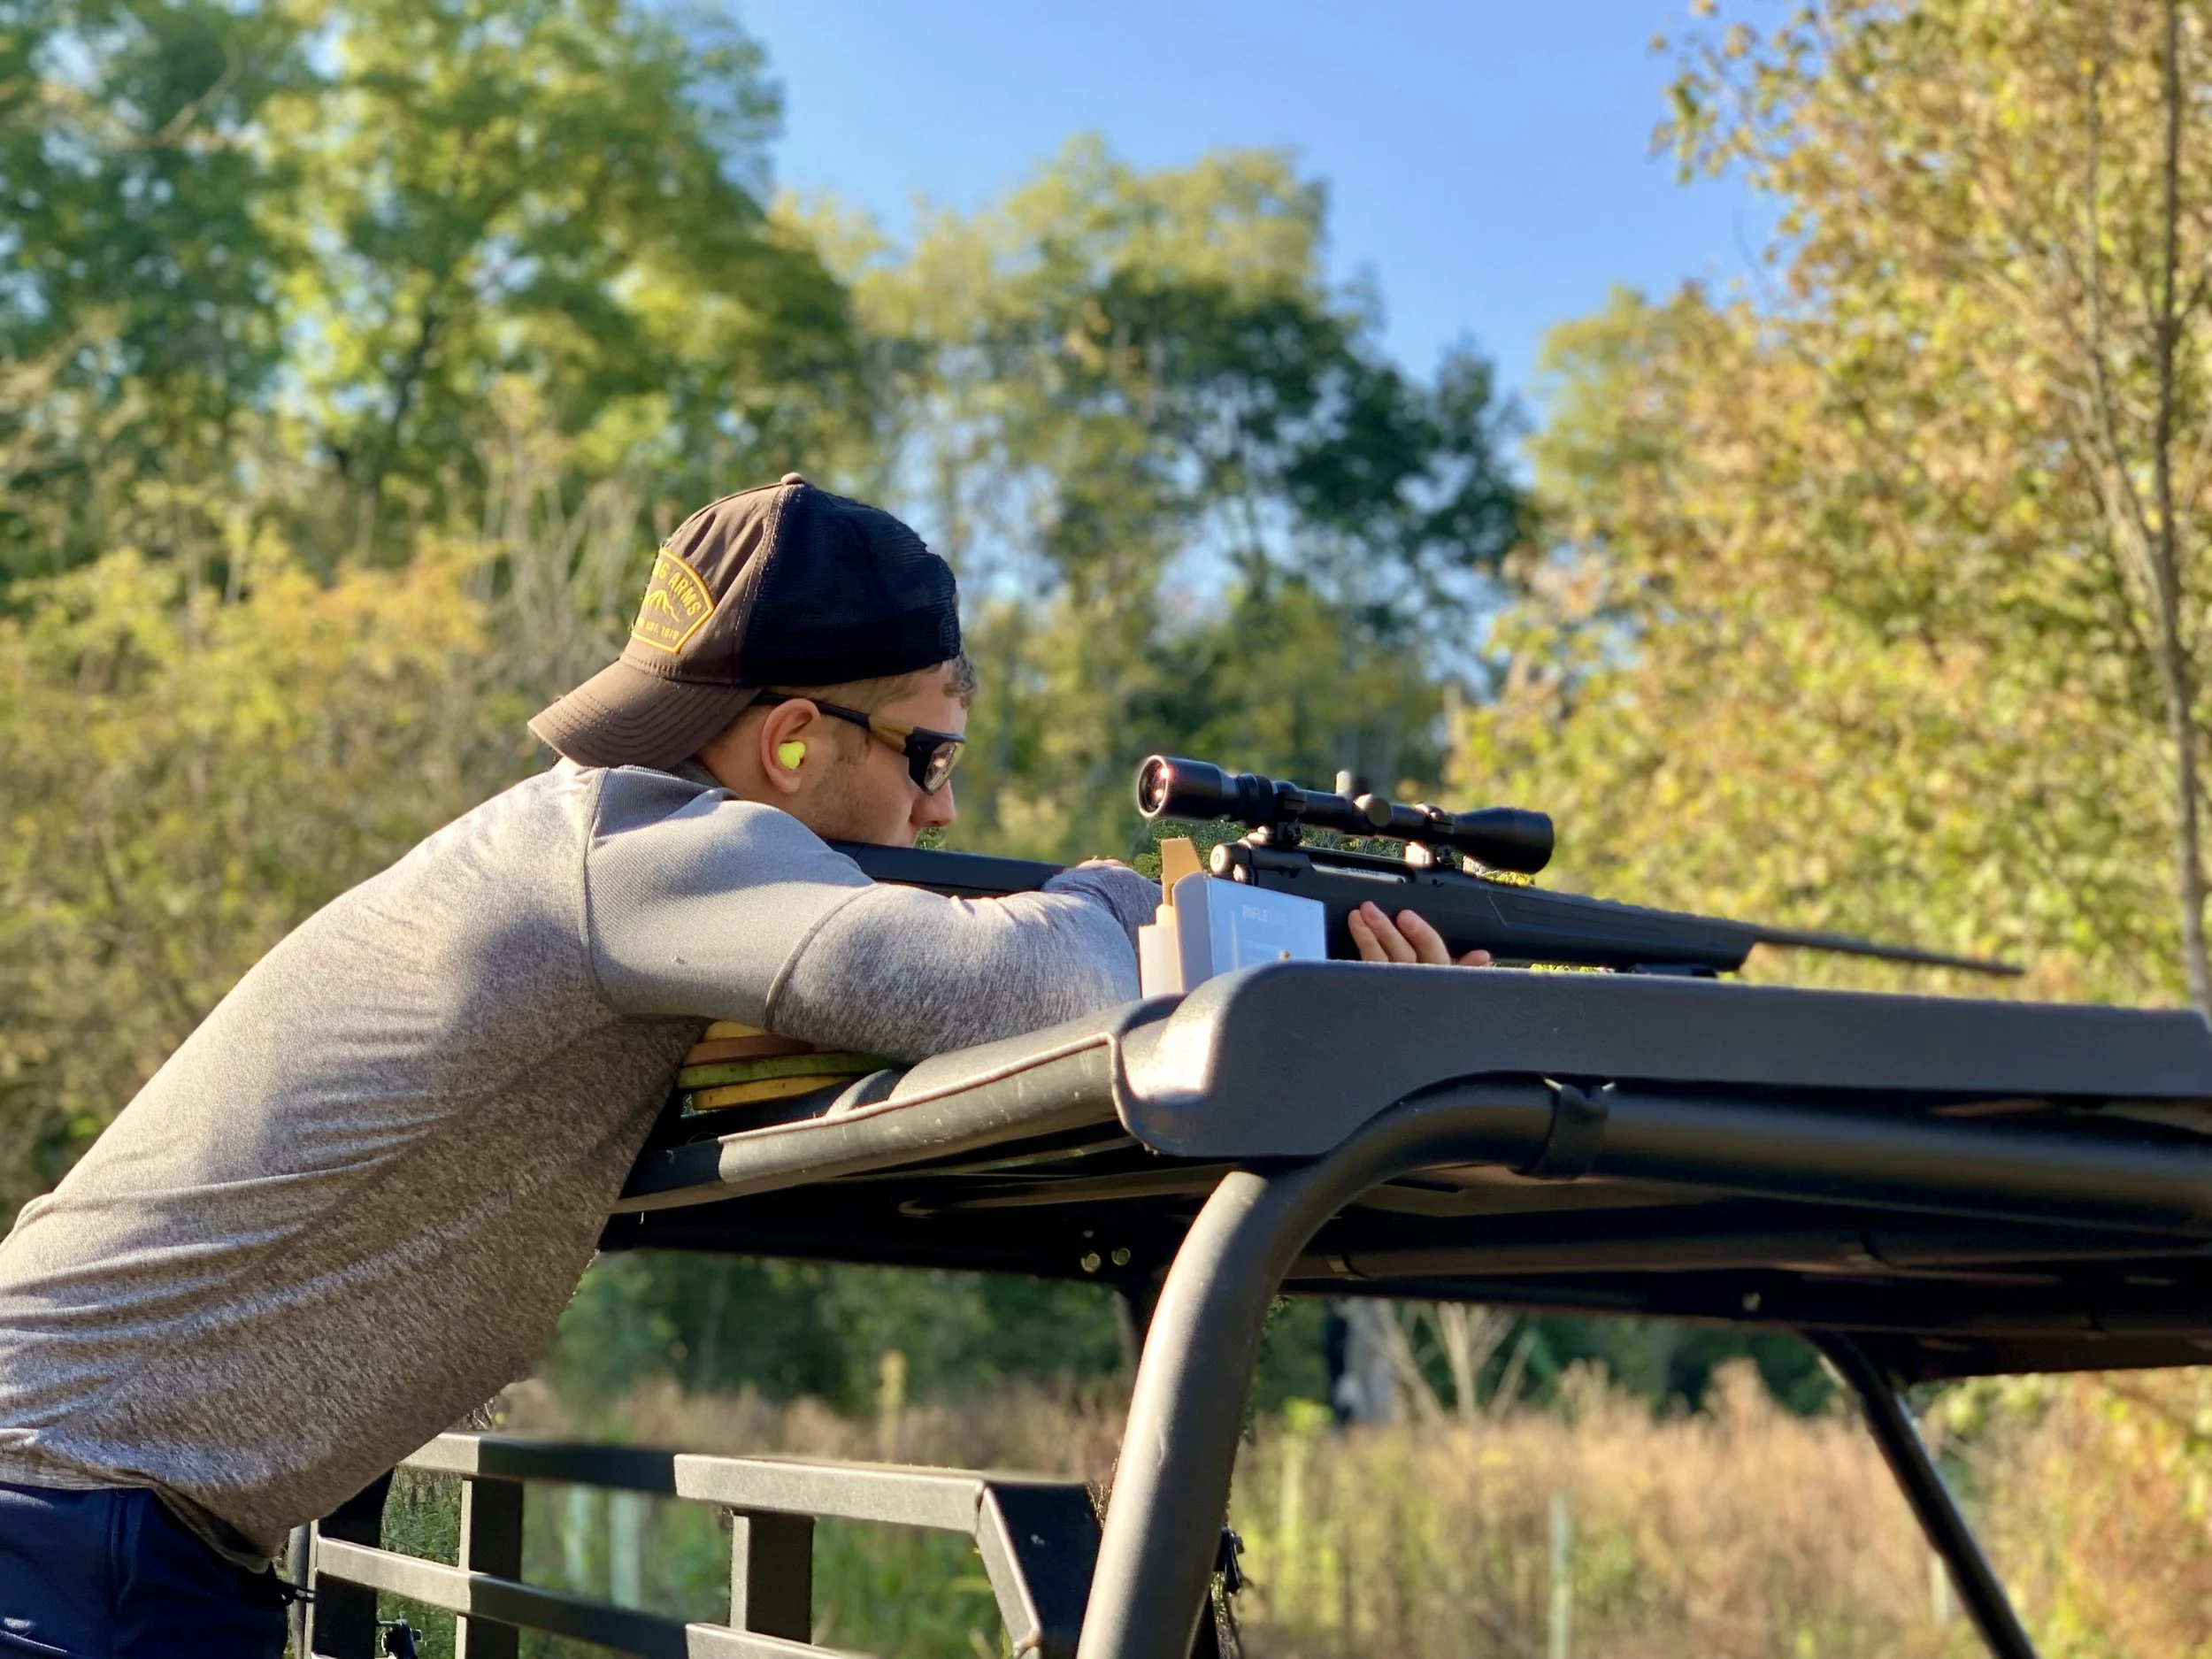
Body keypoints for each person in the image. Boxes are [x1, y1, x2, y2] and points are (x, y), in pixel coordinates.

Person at [0, 474, 1475, 1652]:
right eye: (927, 753)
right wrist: (1165, 911)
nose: (942, 811)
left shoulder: (593, 848)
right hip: (68, 1521)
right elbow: (1013, 981)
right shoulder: (641, 847)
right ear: (785, 743)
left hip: (97, 1512)